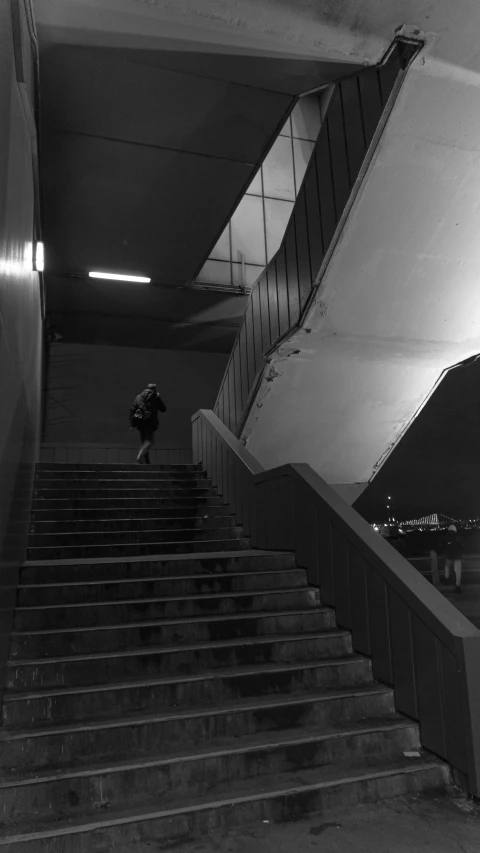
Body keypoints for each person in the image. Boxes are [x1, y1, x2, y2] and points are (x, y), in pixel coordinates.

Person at [129, 383, 166, 464]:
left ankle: (146, 462)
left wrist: (132, 424)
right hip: (150, 421)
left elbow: (132, 410)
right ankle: (140, 456)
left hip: (140, 422)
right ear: (154, 389)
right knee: (149, 441)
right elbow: (163, 409)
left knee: (144, 442)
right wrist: (159, 398)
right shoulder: (155, 397)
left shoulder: (138, 397)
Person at [442, 524, 464, 593]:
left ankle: (446, 580)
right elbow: (462, 546)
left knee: (447, 567)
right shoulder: (458, 537)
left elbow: (442, 546)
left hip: (449, 556)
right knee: (458, 572)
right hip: (457, 557)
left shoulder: (445, 536)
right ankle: (458, 587)